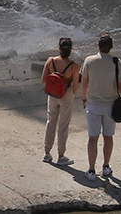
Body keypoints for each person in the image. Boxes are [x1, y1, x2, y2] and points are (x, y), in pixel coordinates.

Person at [79, 32, 121, 181]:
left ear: (98, 45)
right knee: (108, 137)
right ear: (111, 47)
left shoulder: (89, 60)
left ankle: (91, 170)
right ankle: (106, 166)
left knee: (92, 138)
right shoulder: (116, 62)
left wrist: (84, 98)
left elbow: (84, 83)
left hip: (93, 104)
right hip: (111, 106)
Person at [41, 37, 80, 166]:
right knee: (63, 126)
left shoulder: (50, 61)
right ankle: (61, 155)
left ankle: (47, 152)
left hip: (52, 94)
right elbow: (75, 87)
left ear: (59, 48)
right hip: (66, 95)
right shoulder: (74, 66)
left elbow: (44, 80)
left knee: (50, 122)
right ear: (71, 50)